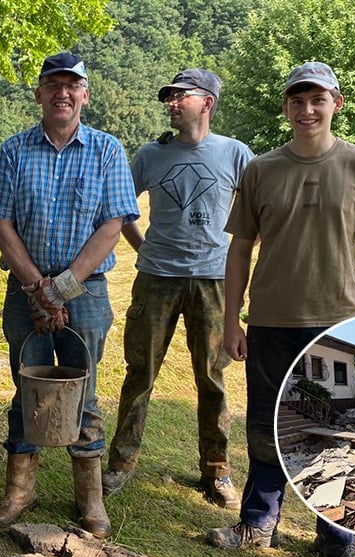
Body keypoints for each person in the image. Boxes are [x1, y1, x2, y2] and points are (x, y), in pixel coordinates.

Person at [205, 62, 355, 557]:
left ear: (336, 103)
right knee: (270, 423)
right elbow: (240, 246)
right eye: (297, 100)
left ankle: (336, 538)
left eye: (317, 99)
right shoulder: (262, 169)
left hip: (339, 322)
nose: (306, 109)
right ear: (287, 107)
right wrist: (232, 320)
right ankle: (258, 523)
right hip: (271, 320)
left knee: (337, 429)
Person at [0, 52, 139, 539]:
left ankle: (89, 499)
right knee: (25, 388)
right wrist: (36, 287)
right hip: (24, 290)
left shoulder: (108, 150)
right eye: (53, 85)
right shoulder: (12, 150)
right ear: (39, 94)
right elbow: (2, 224)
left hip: (85, 293)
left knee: (83, 392)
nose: (62, 93)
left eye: (72, 85)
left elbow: (114, 226)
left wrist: (62, 288)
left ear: (84, 94)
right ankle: (19, 491)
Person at [102, 69, 252, 509]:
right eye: (168, 97)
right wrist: (143, 246)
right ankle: (121, 463)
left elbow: (257, 209)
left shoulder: (235, 153)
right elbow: (121, 207)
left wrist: (238, 247)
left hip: (214, 280)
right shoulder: (150, 155)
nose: (170, 103)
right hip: (157, 279)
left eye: (179, 97)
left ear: (206, 102)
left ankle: (217, 470)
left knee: (212, 376)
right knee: (140, 372)